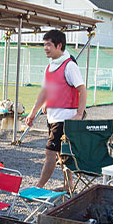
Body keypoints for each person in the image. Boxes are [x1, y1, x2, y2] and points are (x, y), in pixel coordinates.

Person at [25, 29, 86, 189]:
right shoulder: (50, 67)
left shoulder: (70, 66)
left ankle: (38, 187)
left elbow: (82, 89)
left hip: (65, 119)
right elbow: (46, 91)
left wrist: (79, 114)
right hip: (52, 117)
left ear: (59, 45)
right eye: (44, 44)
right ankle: (69, 185)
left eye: (48, 44)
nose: (45, 47)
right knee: (61, 154)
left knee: (50, 153)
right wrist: (33, 112)